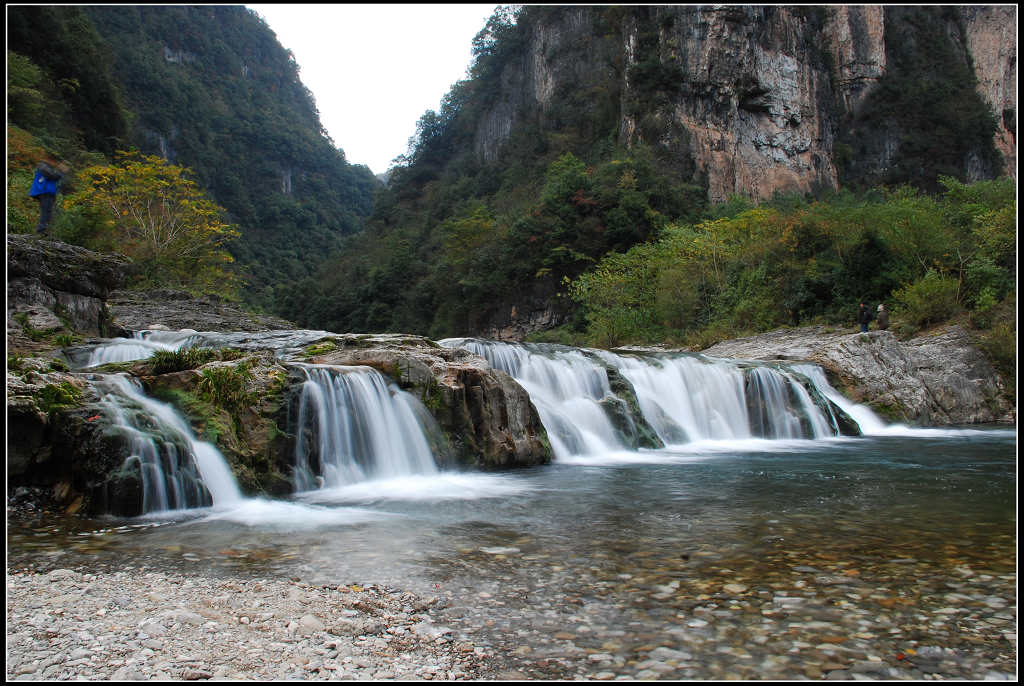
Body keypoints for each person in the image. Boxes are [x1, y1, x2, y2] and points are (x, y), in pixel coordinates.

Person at [29, 160, 66, 235]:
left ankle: (44, 230)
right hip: (45, 192)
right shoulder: (43, 167)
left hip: (48, 193)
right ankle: (41, 230)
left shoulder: (46, 168)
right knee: (46, 211)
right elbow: (53, 176)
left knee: (48, 211)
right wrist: (60, 171)